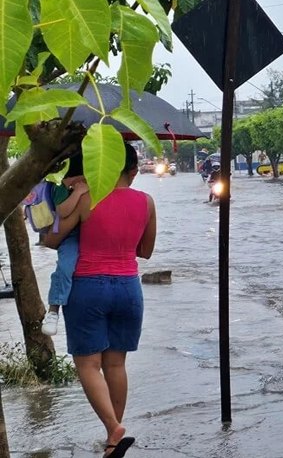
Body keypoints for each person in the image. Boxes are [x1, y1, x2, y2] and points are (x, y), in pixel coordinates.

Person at [46, 142, 157, 458]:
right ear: (131, 171)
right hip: (128, 287)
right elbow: (145, 251)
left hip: (88, 287)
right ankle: (113, 439)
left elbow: (52, 239)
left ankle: (113, 428)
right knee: (116, 363)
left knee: (87, 364)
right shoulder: (146, 202)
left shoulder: (88, 197)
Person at [40, 154, 90, 336]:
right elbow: (62, 210)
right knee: (65, 267)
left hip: (89, 230)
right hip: (70, 235)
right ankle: (54, 309)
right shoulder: (60, 185)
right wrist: (78, 192)